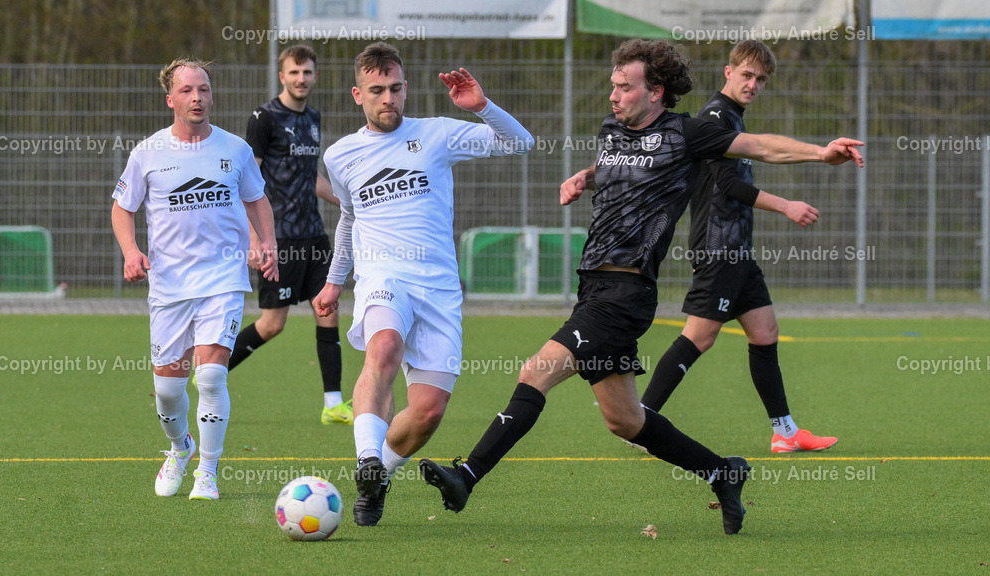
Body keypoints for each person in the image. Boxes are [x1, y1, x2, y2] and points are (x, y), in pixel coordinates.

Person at [419, 38, 863, 535]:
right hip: (595, 289)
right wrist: (584, 177)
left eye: (625, 87)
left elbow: (758, 144)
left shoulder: (688, 134)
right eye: (613, 85)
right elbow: (618, 167)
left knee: (535, 371)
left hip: (625, 295)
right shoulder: (613, 129)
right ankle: (723, 472)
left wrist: (822, 154)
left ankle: (467, 476)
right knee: (625, 421)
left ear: (656, 92)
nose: (614, 95)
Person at [312, 42, 534, 526]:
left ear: (406, 88)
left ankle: (379, 476)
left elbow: (521, 144)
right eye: (376, 90)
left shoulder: (436, 134)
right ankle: (367, 457)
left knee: (428, 411)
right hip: (382, 277)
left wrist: (482, 108)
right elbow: (349, 219)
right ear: (357, 95)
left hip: (438, 288)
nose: (387, 98)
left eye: (394, 88)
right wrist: (334, 281)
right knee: (384, 346)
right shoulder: (341, 155)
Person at [641, 41, 837, 453]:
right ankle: (640, 420)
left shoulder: (734, 119)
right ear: (728, 72)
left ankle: (785, 432)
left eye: (761, 79)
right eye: (746, 75)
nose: (753, 84)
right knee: (699, 337)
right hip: (718, 250)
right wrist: (786, 205)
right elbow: (729, 185)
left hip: (737, 252)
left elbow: (754, 160)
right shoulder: (715, 117)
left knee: (765, 333)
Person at [111, 58, 279, 501]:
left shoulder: (235, 149)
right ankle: (179, 448)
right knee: (168, 392)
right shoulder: (147, 152)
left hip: (222, 279)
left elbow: (257, 199)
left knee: (210, 379)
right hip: (169, 286)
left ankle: (208, 471)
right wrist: (131, 251)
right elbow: (123, 208)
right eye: (187, 90)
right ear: (171, 99)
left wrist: (268, 243)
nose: (197, 98)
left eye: (203, 89)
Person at [227, 45, 352, 426]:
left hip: (314, 237)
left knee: (326, 311)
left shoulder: (313, 117)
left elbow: (309, 176)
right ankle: (213, 368)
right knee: (272, 325)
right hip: (277, 240)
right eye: (294, 72)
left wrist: (348, 202)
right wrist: (254, 238)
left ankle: (333, 404)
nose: (301, 79)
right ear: (282, 76)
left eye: (308, 72)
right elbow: (248, 181)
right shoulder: (264, 118)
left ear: (315, 76)